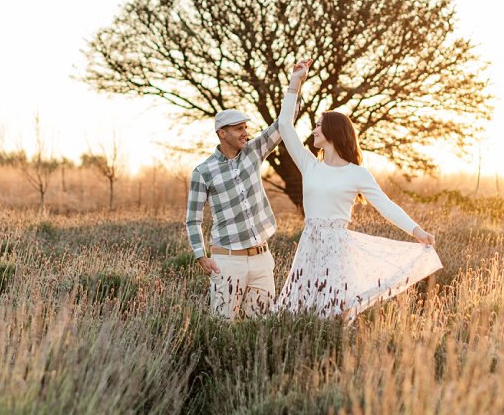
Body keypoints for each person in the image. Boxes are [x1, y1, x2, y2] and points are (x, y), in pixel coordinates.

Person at [275, 59, 442, 321]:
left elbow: (385, 205)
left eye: (319, 125)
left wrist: (416, 230)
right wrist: (295, 83)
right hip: (309, 245)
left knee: (332, 312)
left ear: (332, 131)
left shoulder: (357, 173)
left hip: (337, 249)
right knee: (299, 309)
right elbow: (284, 126)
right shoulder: (309, 165)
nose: (314, 130)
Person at [186, 107, 290, 319]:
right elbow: (192, 220)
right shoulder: (203, 172)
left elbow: (282, 124)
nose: (245, 133)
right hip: (227, 260)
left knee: (263, 325)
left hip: (261, 258)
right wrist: (200, 256)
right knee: (223, 324)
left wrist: (296, 84)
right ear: (222, 133)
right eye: (238, 128)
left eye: (245, 128)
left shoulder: (253, 152)